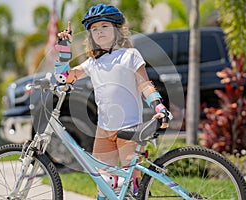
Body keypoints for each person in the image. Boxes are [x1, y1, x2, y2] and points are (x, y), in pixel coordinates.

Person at [54, 4, 171, 199]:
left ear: (118, 30)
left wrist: (158, 105)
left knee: (131, 185)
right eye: (94, 29)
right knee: (104, 184)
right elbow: (66, 76)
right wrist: (64, 48)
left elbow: (145, 85)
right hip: (104, 130)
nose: (99, 32)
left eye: (104, 26)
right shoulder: (93, 62)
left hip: (129, 127)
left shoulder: (130, 55)